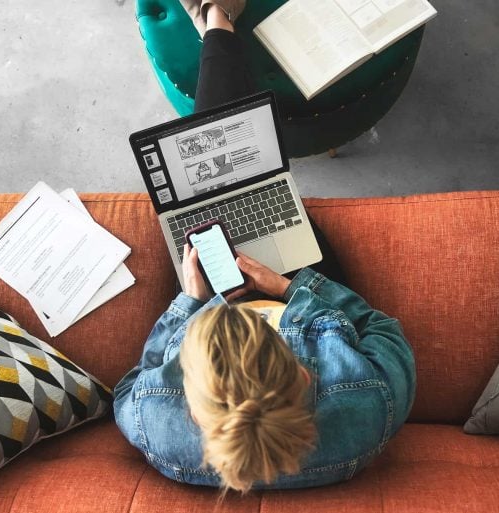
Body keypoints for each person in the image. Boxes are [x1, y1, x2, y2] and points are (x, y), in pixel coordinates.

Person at [113, 0, 416, 495]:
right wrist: (287, 289)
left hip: (218, 295)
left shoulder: (157, 424)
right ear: (302, 375)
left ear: (191, 404)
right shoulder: (368, 405)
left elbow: (131, 386)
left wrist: (192, 302)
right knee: (255, 185)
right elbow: (383, 331)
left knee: (208, 194)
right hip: (293, 287)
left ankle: (217, 22)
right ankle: (218, 22)